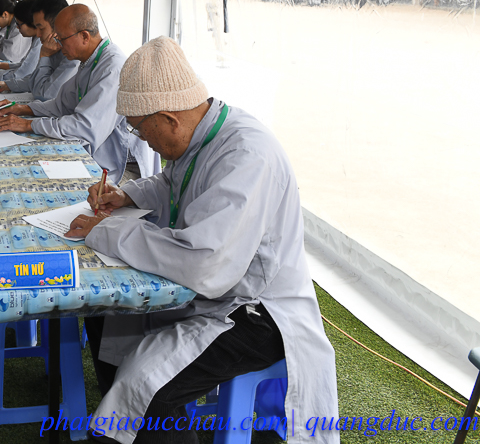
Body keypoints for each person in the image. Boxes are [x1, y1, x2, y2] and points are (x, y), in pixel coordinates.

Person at [65, 36, 339, 444]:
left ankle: (136, 420)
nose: (142, 139)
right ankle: (129, 418)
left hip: (254, 312)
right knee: (108, 313)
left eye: (141, 129)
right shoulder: (203, 134)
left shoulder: (247, 155)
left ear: (169, 119)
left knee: (146, 386)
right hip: (214, 292)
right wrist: (128, 195)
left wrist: (106, 230)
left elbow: (205, 264)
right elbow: (174, 184)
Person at [0, 5, 131, 180]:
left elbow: (84, 126)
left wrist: (29, 125)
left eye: (61, 38)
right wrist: (24, 108)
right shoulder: (90, 59)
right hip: (88, 148)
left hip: (107, 163)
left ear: (84, 36)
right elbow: (62, 104)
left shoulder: (112, 68)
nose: (57, 43)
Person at [0, 0, 41, 93]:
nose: (17, 27)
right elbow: (23, 65)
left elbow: (22, 73)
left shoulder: (40, 41)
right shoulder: (36, 38)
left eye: (19, 25)